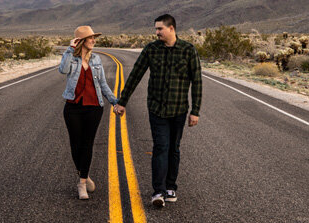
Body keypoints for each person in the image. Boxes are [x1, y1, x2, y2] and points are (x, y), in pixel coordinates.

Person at [113, 14, 202, 208]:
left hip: (179, 109)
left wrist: (195, 111)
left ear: (171, 29)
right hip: (157, 108)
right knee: (161, 147)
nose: (156, 32)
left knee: (174, 148)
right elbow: (135, 74)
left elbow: (197, 82)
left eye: (160, 29)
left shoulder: (188, 50)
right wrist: (122, 101)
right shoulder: (151, 50)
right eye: (156, 29)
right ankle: (158, 191)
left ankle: (171, 187)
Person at [59, 25, 119, 200]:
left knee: (87, 144)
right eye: (90, 38)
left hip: (94, 107)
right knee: (75, 145)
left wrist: (115, 101)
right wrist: (69, 50)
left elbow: (102, 84)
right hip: (73, 107)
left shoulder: (96, 60)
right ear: (81, 41)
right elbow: (63, 70)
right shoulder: (71, 58)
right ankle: (83, 172)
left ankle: (82, 183)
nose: (93, 40)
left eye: (94, 38)